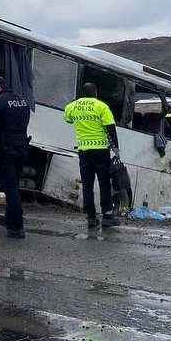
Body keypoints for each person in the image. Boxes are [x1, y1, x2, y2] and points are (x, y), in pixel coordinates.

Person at [64, 82, 121, 230]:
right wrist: (116, 149)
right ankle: (107, 215)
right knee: (104, 183)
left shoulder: (73, 106)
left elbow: (68, 119)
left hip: (84, 151)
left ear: (82, 93)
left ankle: (90, 216)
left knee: (87, 184)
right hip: (101, 150)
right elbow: (110, 128)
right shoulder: (101, 106)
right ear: (95, 92)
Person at [0, 75, 30, 239]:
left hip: (5, 149)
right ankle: (10, 218)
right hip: (22, 148)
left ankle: (17, 226)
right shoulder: (22, 100)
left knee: (10, 188)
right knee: (14, 185)